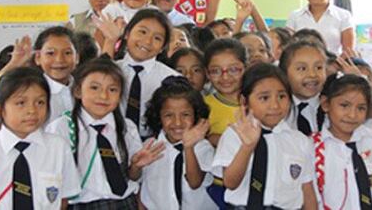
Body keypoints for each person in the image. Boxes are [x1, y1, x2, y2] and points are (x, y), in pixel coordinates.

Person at [47, 57, 164, 208]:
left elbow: (133, 177)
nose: (103, 96)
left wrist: (136, 166)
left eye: (113, 89)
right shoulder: (60, 128)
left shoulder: (126, 127)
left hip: (124, 203)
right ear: (77, 91)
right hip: (81, 205)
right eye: (94, 88)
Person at [0, 67, 81, 209]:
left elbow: (63, 198)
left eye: (40, 102)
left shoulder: (58, 147)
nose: (32, 111)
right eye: (21, 103)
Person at [213, 63, 317, 209]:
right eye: (264, 98)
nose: (274, 105)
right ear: (244, 101)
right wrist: (247, 147)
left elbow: (307, 189)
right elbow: (230, 183)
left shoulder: (300, 141)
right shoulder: (234, 135)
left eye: (282, 96)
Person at [142, 76, 216, 209]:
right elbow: (141, 185)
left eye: (185, 115)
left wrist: (188, 147)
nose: (177, 122)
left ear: (196, 115)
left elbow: (194, 182)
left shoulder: (202, 147)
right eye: (169, 115)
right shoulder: (150, 146)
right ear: (158, 116)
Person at [312, 73, 372, 209]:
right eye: (344, 105)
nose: (352, 115)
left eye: (361, 108)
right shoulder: (312, 148)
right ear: (325, 104)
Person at [116, 9, 179, 138]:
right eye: (142, 32)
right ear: (127, 33)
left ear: (163, 47)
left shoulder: (172, 79)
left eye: (157, 38)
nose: (147, 41)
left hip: (156, 146)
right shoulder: (111, 70)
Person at [286, 0, 355, 54]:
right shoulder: (294, 16)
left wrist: (333, 66)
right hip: (302, 65)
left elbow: (348, 52)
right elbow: (288, 48)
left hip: (334, 65)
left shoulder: (344, 16)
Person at [204, 38, 247, 147]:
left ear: (246, 68)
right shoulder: (203, 107)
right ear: (207, 73)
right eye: (216, 71)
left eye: (233, 69)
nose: (225, 77)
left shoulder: (258, 102)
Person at [279, 40, 327, 136]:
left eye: (319, 67)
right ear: (284, 73)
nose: (312, 74)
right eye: (302, 68)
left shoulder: (332, 106)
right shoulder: (278, 109)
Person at [34, 26, 78, 124]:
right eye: (50, 53)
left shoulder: (85, 89)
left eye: (67, 53)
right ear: (38, 57)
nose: (59, 60)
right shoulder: (33, 93)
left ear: (77, 58)